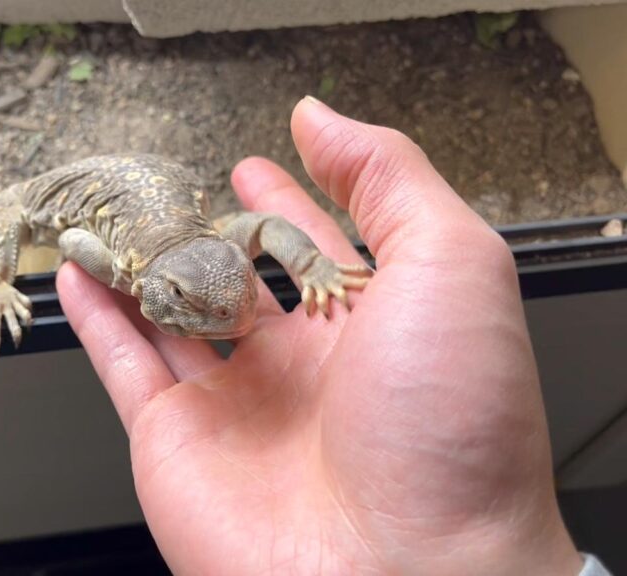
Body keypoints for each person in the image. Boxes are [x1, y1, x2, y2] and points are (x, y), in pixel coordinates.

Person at [56, 97, 610, 575]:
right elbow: (71, 238)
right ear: (154, 286)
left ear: (231, 254)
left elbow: (266, 226)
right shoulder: (119, 267)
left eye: (247, 283)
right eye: (187, 302)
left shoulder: (225, 243)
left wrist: (312, 265)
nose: (240, 314)